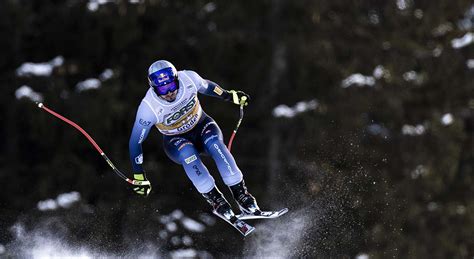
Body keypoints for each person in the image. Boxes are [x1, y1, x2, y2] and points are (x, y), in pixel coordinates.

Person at [128, 60, 260, 218]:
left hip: (202, 126)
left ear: (177, 80)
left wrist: (229, 96)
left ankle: (242, 195)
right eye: (162, 89)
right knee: (188, 155)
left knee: (215, 145)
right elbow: (135, 141)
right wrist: (138, 175)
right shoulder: (148, 108)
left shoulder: (188, 78)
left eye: (171, 86)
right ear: (153, 87)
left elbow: (208, 87)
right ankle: (216, 200)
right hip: (175, 140)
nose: (169, 93)